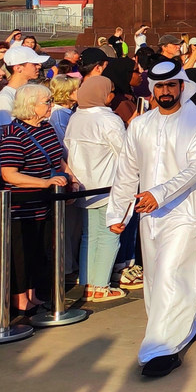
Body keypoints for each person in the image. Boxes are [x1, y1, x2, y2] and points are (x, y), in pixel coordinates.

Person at [107, 62, 196, 378]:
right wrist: (119, 212)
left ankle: (161, 349)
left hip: (188, 213)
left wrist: (160, 193)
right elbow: (127, 171)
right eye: (160, 86)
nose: (165, 92)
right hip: (150, 216)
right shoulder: (140, 125)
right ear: (153, 89)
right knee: (155, 280)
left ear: (182, 87)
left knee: (171, 274)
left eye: (171, 86)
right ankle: (184, 327)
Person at [0, 84, 73, 315]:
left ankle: (32, 294)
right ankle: (19, 298)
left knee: (40, 251)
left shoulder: (46, 128)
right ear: (31, 105)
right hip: (23, 205)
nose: (50, 105)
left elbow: (57, 158)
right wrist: (44, 183)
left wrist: (71, 178)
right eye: (46, 101)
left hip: (46, 202)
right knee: (21, 254)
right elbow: (9, 173)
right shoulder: (13, 134)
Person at [64, 76, 128, 303]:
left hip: (83, 184)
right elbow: (125, 152)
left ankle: (88, 283)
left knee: (88, 235)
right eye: (110, 91)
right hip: (107, 184)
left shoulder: (75, 117)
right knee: (110, 233)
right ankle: (100, 284)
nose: (112, 95)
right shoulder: (108, 119)